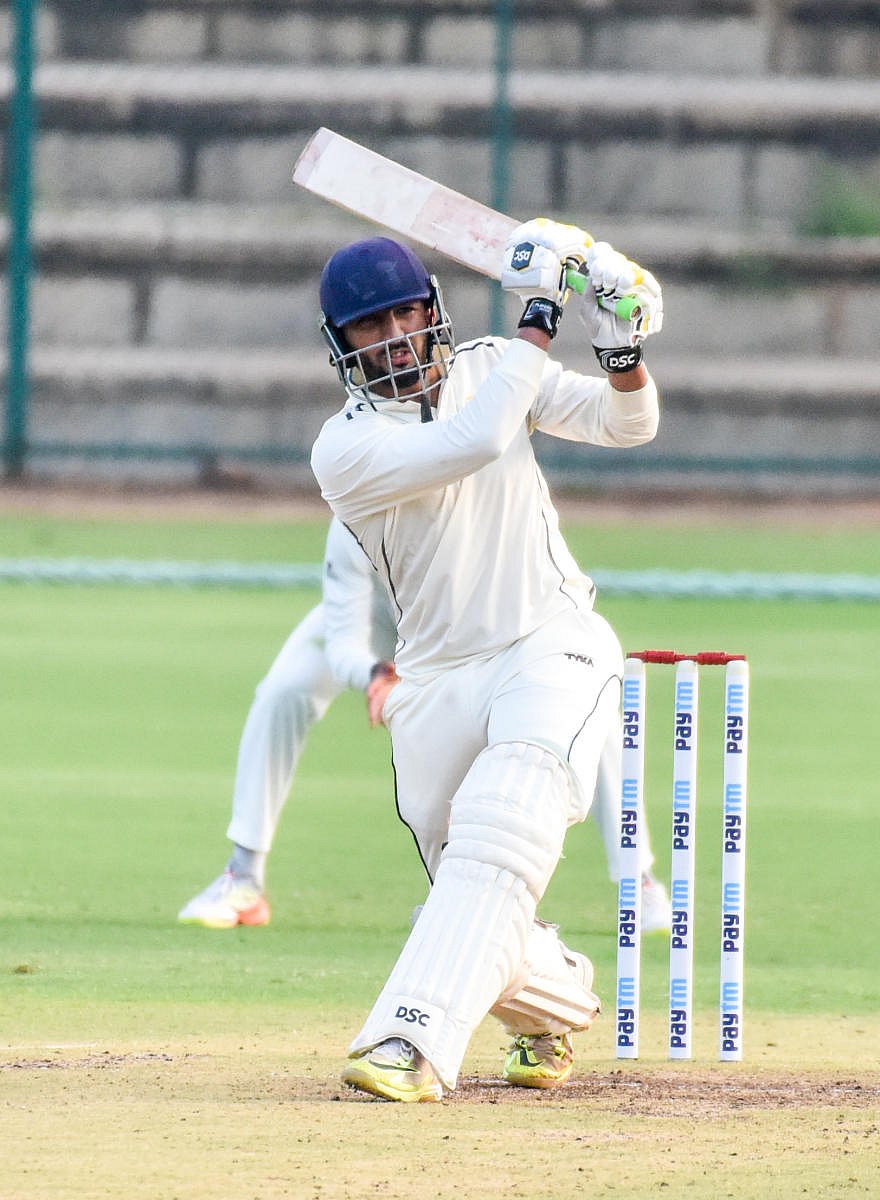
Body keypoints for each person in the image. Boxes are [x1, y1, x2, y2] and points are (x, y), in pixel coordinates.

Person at [309, 220, 664, 1102]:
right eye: (370, 326)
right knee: (470, 891)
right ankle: (560, 1001)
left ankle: (406, 1042)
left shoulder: (494, 362)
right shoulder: (343, 448)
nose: (393, 337)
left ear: (433, 310)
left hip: (551, 640)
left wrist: (619, 343)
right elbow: (469, 441)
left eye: (404, 315)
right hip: (434, 681)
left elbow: (631, 426)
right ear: (342, 347)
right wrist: (542, 314)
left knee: (507, 820)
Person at [177, 518, 671, 933]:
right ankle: (244, 877)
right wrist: (375, 675)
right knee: (283, 691)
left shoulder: (474, 496)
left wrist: (425, 684)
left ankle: (639, 880)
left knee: (589, 699)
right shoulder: (354, 501)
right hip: (378, 629)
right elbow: (343, 634)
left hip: (469, 637)